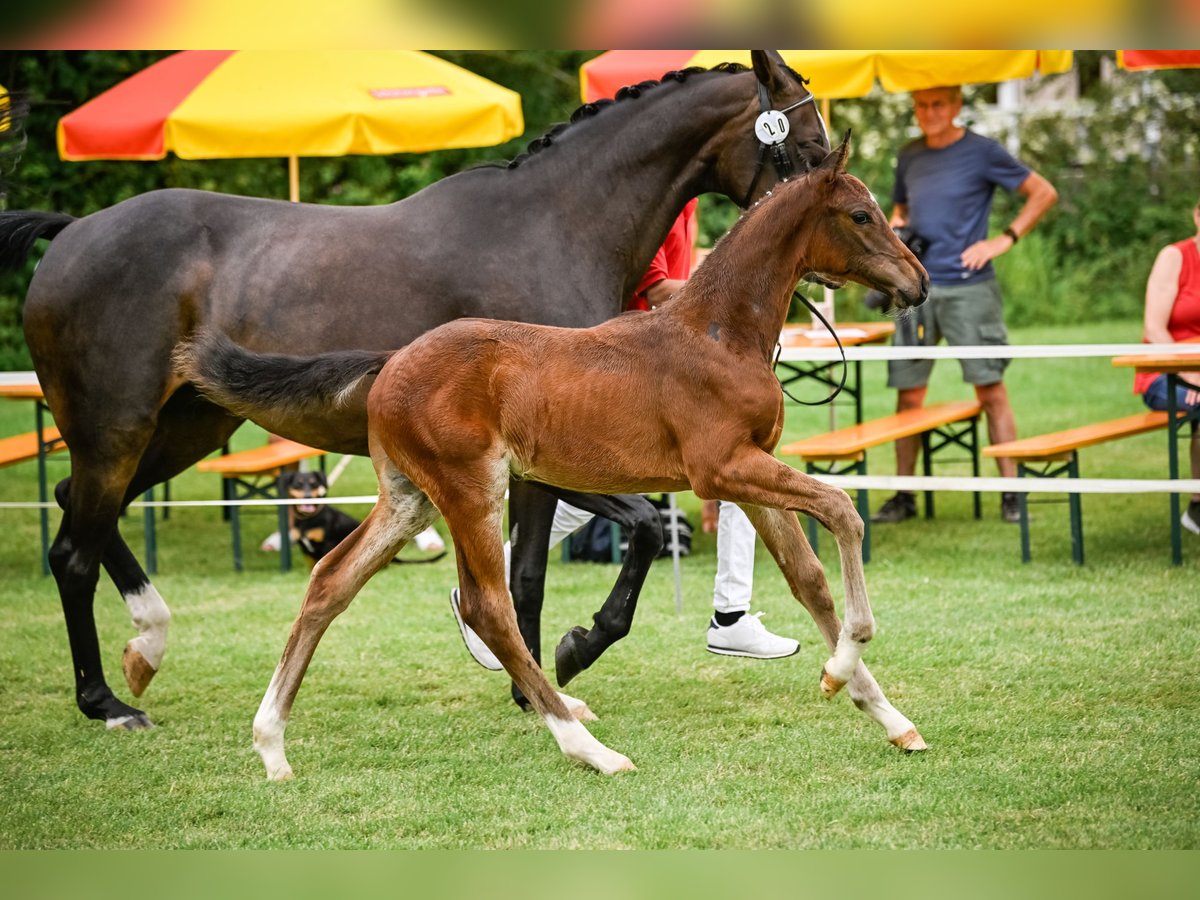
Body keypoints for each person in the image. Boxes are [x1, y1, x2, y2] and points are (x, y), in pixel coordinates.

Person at [450, 200, 798, 670]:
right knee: (579, 497)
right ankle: (487, 581)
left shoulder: (689, 204)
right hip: (636, 371)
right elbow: (654, 290)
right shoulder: (659, 204)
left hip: (672, 362)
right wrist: (751, 290)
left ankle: (731, 613)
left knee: (743, 466)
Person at [871, 85, 1058, 526]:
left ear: (956, 107)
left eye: (938, 104)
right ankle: (905, 495)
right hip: (914, 289)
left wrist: (1002, 241)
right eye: (921, 105)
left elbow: (1043, 193)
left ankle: (1011, 494)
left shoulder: (983, 151)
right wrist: (899, 223)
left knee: (990, 388)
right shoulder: (909, 154)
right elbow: (902, 206)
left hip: (970, 287)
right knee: (908, 393)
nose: (929, 112)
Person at [1135, 196, 1200, 534]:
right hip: (1166, 373)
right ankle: (1198, 505)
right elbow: (1153, 328)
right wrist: (1187, 371)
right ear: (1196, 216)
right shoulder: (1174, 257)